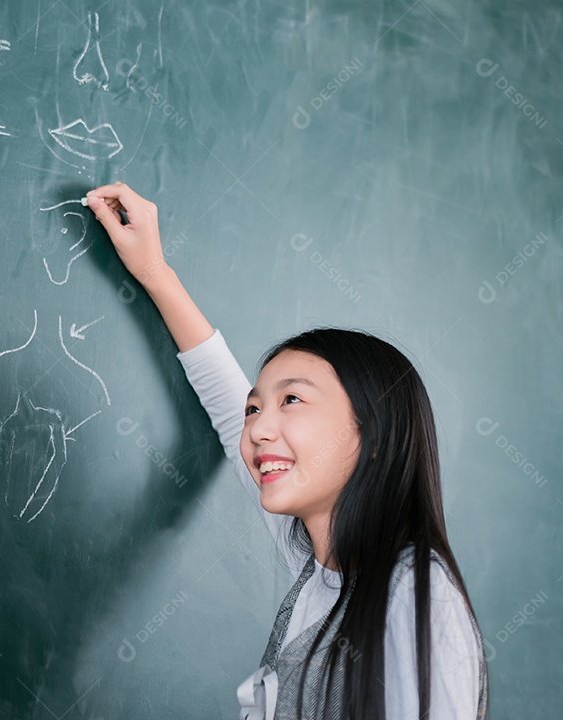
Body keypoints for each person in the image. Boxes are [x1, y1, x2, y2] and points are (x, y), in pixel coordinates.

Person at [85, 183, 488, 719]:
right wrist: (155, 271)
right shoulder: (324, 559)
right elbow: (229, 409)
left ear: (371, 436)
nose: (258, 429)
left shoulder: (416, 596)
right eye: (257, 408)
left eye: (292, 400)